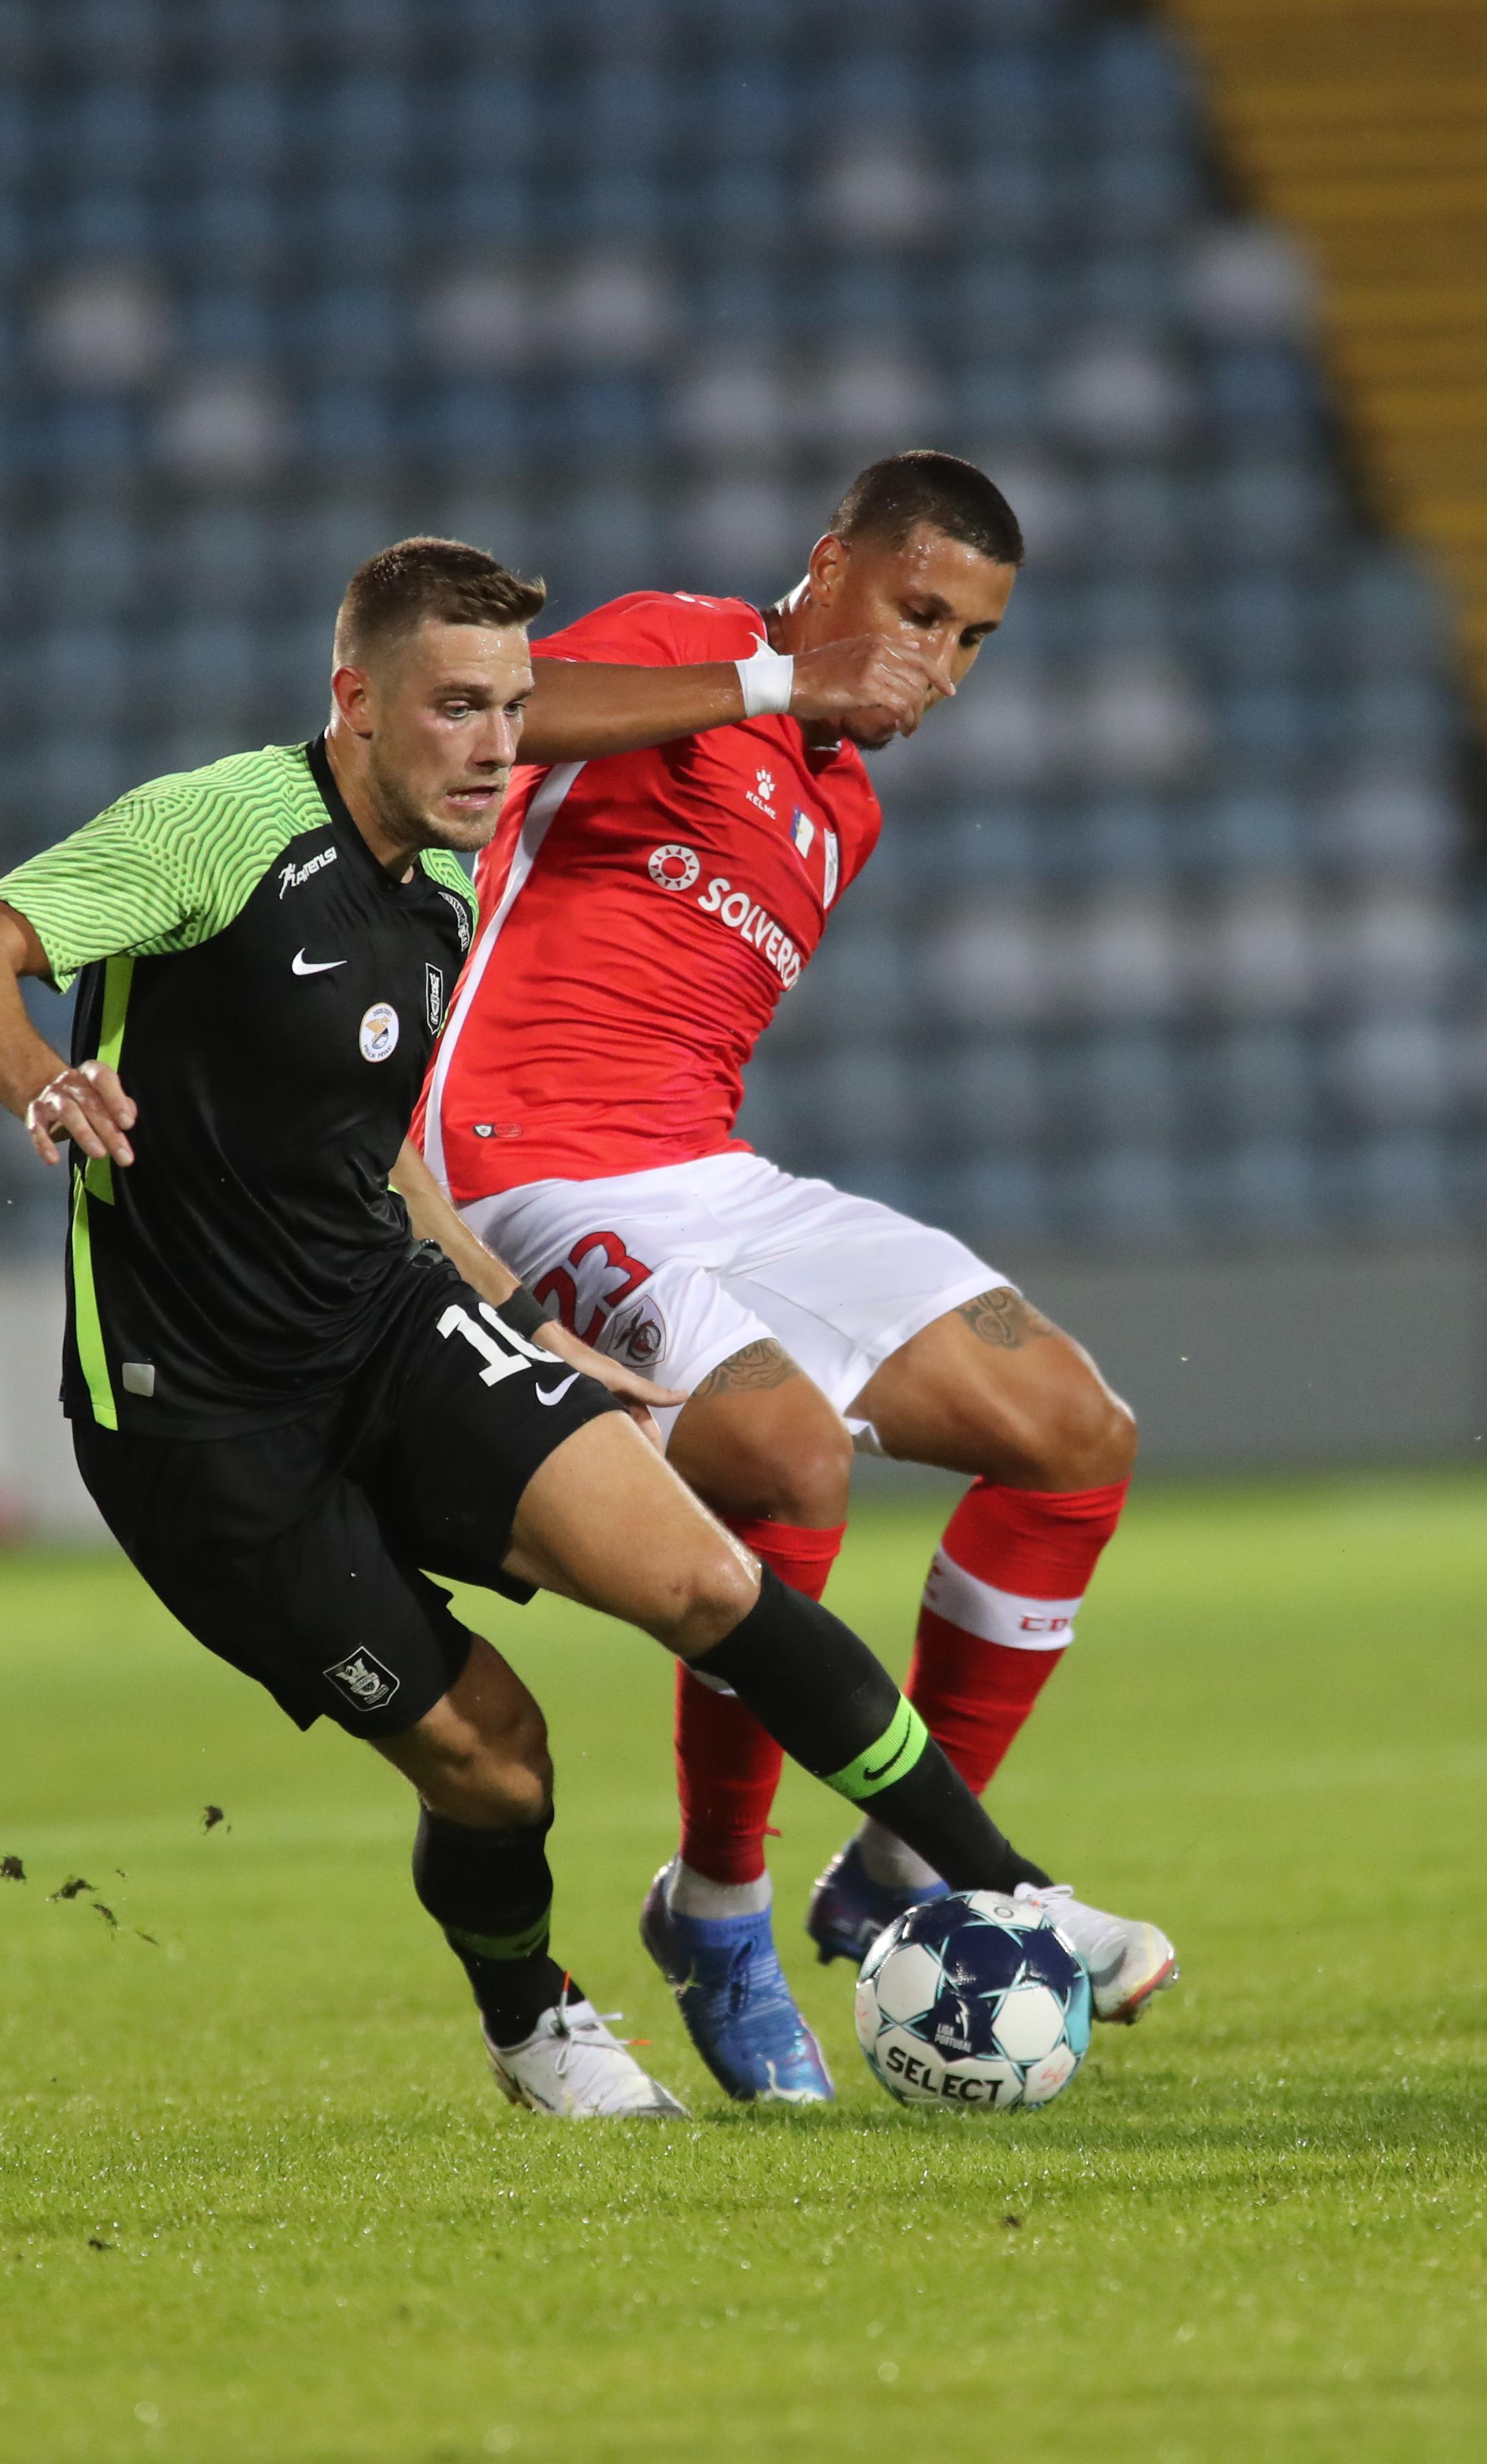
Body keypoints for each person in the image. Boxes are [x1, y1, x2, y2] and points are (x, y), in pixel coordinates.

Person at [0, 536, 1169, 2118]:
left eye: (510, 709)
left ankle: (1006, 1892)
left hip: (390, 1324)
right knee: (493, 1751)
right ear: (354, 701)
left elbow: (388, 1161)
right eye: (457, 711)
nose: (497, 747)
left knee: (707, 1572)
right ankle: (529, 2018)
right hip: (204, 1420)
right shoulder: (217, 826)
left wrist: (519, 1321)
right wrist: (46, 1080)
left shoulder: (438, 888)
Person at [414, 450, 1167, 2103]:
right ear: (825, 569)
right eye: (915, 613)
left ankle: (900, 1864)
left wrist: (817, 710)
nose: (936, 666)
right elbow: (485, 724)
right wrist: (771, 676)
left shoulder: (848, 805)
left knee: (1072, 1429)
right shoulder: (687, 640)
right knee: (781, 1450)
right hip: (523, 1158)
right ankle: (724, 1906)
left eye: (971, 641)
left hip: (708, 1172)